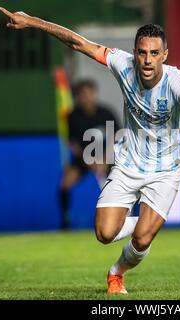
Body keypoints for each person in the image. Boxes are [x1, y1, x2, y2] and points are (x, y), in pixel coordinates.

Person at [0, 7, 180, 294]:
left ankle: (117, 272)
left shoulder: (177, 82)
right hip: (128, 164)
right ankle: (146, 225)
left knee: (141, 240)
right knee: (104, 234)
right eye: (142, 52)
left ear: (165, 55)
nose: (147, 60)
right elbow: (77, 42)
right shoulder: (121, 63)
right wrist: (31, 22)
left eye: (154, 53)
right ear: (134, 52)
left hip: (165, 169)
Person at [59, 79, 119, 230]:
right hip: (83, 161)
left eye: (89, 94)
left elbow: (117, 137)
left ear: (95, 94)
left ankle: (130, 217)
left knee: (128, 184)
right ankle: (65, 220)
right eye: (83, 94)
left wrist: (104, 160)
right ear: (78, 97)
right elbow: (73, 144)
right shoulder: (73, 116)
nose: (86, 97)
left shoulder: (107, 113)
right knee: (65, 184)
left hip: (108, 159)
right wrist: (90, 162)